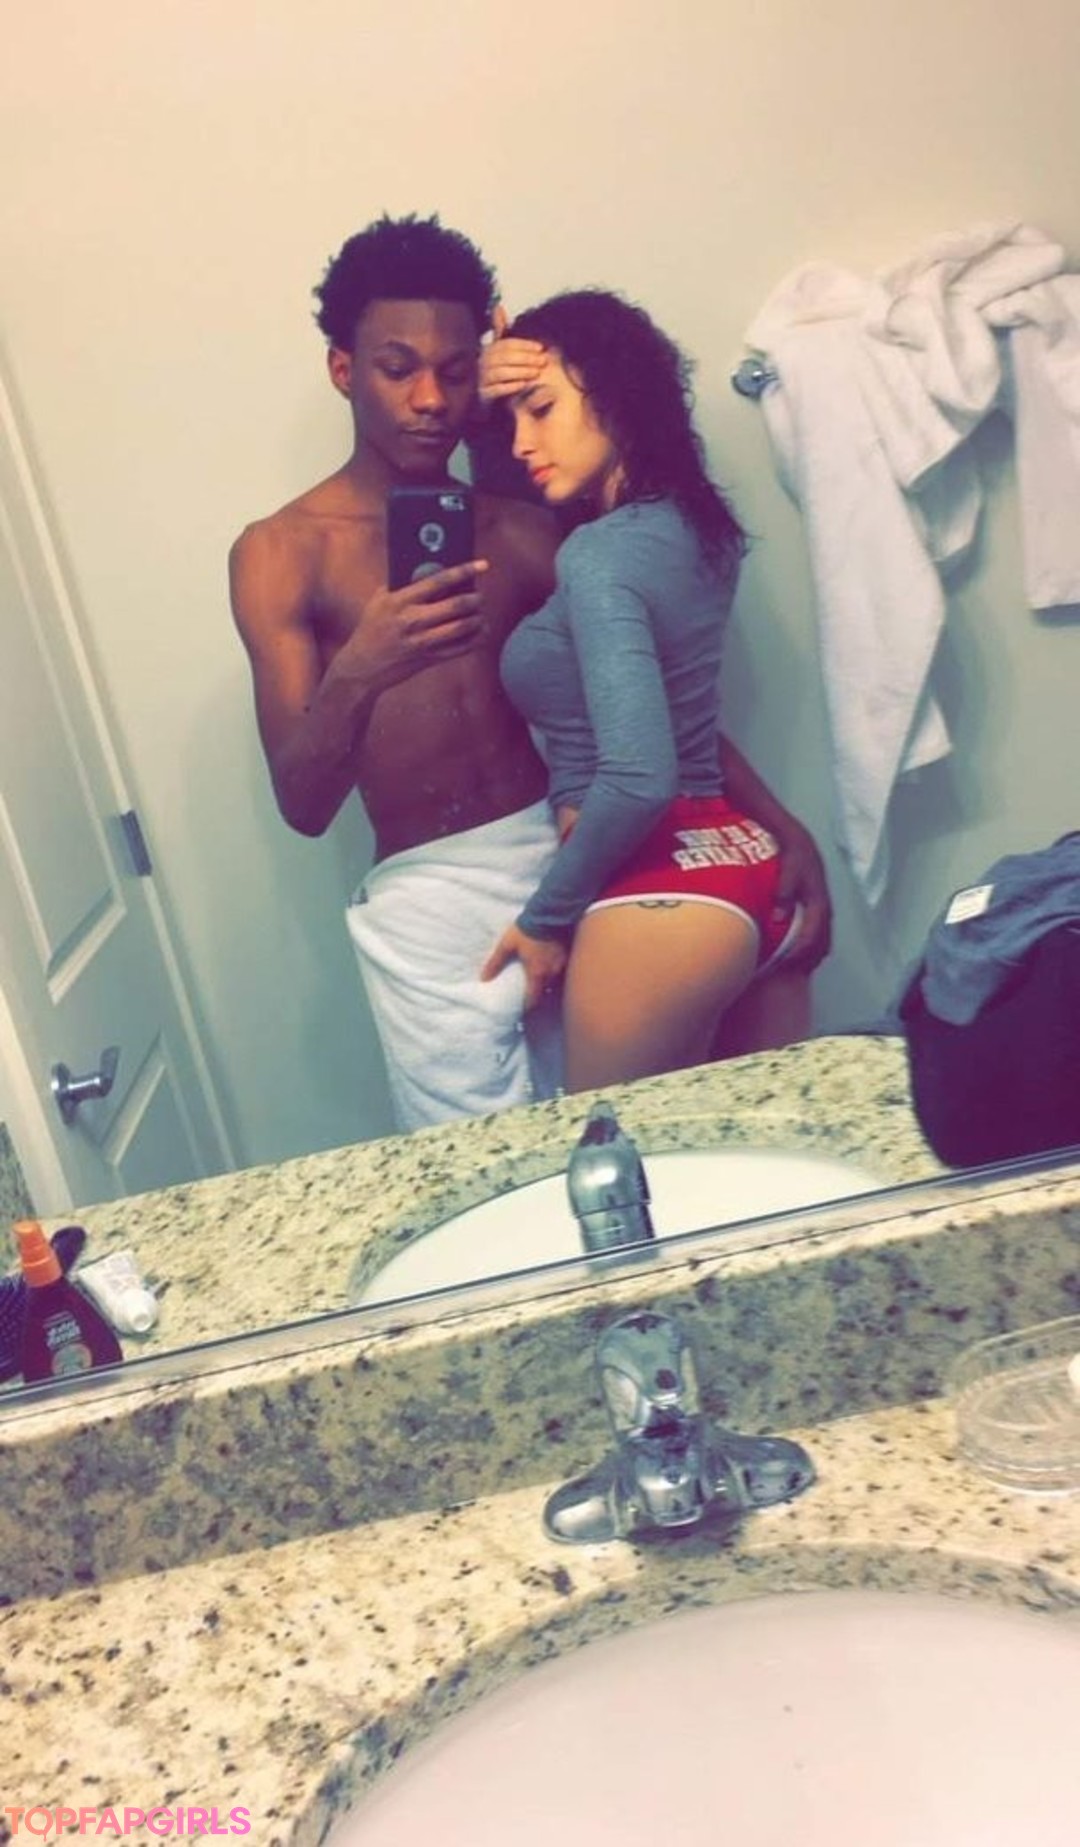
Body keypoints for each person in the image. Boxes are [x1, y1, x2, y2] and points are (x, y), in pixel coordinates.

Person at [230, 214, 829, 1130]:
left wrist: (783, 829)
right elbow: (303, 804)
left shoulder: (526, 525)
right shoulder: (281, 553)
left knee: (618, 1141)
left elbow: (645, 712)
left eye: (455, 370)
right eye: (397, 368)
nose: (429, 398)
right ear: (344, 370)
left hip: (572, 859)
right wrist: (363, 667)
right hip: (427, 897)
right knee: (483, 1166)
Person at [479, 289, 823, 1091]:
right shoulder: (696, 530)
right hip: (744, 865)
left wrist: (543, 919)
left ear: (618, 395)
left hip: (660, 890)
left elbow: (639, 775)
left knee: (623, 1160)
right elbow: (678, 724)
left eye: (541, 409)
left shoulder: (599, 555)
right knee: (753, 1160)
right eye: (511, 422)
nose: (523, 442)